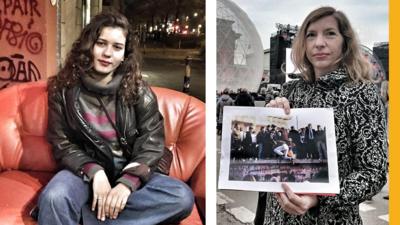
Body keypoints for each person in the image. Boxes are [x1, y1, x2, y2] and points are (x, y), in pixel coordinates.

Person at [38, 12, 193, 225]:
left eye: (117, 47)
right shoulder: (63, 89)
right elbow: (61, 143)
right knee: (54, 198)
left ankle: (85, 216)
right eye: (101, 43)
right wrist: (96, 173)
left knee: (181, 197)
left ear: (124, 55)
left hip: (129, 170)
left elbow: (152, 143)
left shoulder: (139, 91)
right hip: (84, 171)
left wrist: (127, 183)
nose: (107, 53)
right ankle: (88, 207)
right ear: (89, 46)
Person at [258, 6, 387, 225]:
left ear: (345, 42)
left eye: (330, 33)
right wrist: (269, 120)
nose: (319, 43)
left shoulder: (361, 94)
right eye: (311, 35)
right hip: (276, 217)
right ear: (303, 44)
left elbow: (373, 172)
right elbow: (272, 155)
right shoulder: (290, 90)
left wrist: (319, 198)